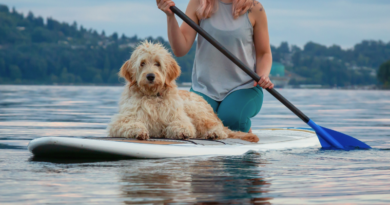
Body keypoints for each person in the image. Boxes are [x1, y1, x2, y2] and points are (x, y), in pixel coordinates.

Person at [157, 0, 274, 133]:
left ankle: (243, 126)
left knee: (230, 119)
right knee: (192, 122)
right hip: (205, 88)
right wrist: (170, 16)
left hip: (244, 87)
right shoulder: (198, 3)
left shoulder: (255, 8)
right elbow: (180, 50)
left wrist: (263, 75)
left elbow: (264, 53)